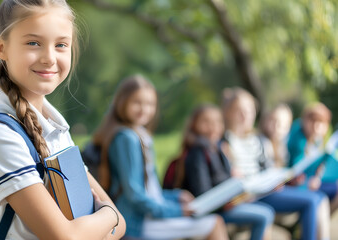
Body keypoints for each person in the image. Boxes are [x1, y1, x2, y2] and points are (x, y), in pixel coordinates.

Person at [0, 0, 126, 239]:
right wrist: (109, 215)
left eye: (61, 45)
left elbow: (120, 225)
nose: (49, 58)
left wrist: (109, 218)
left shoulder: (56, 128)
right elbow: (68, 236)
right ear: (1, 47)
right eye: (33, 43)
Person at [93, 75, 228, 240]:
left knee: (213, 222)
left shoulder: (141, 135)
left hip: (148, 216)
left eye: (150, 104)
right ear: (123, 102)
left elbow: (151, 191)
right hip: (138, 223)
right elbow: (135, 196)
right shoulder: (126, 138)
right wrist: (178, 211)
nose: (144, 109)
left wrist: (176, 196)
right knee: (214, 223)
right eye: (137, 102)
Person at [221, 87, 329, 240]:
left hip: (265, 189)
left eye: (249, 111)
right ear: (228, 112)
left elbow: (265, 169)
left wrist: (281, 178)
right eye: (240, 110)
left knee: (317, 198)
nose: (245, 116)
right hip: (249, 195)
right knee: (311, 201)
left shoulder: (254, 140)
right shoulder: (224, 142)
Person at [175, 103, 274, 240]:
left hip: (225, 204)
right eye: (206, 122)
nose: (213, 127)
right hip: (213, 210)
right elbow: (202, 192)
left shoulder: (217, 148)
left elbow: (226, 178)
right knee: (265, 214)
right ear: (194, 125)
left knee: (265, 211)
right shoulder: (198, 152)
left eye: (217, 122)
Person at [260, 104, 330, 240]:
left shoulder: (280, 146)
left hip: (281, 188)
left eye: (282, 125)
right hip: (266, 193)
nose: (276, 127)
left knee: (319, 198)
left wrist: (292, 179)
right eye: (273, 121)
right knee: (313, 200)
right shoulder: (262, 143)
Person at [287, 102, 338, 214]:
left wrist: (318, 176)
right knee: (320, 200)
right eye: (313, 121)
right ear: (304, 121)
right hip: (297, 184)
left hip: (312, 181)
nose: (316, 126)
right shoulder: (298, 139)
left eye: (320, 123)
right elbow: (298, 168)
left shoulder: (317, 139)